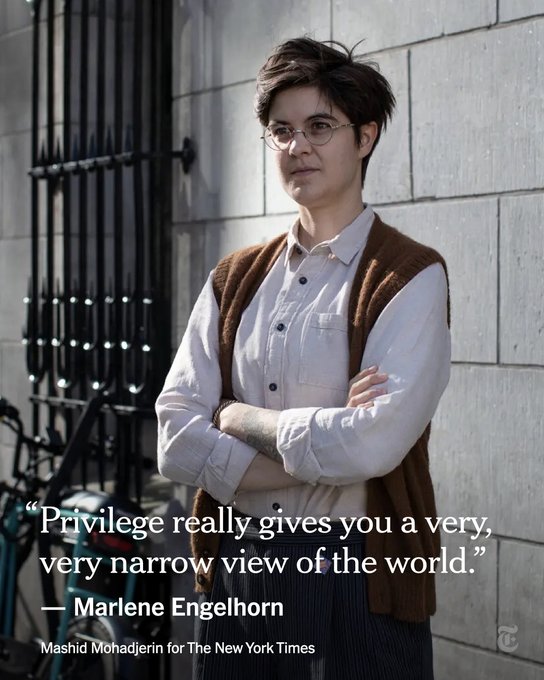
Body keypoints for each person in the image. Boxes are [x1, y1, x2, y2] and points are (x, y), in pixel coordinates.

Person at [156, 37, 451, 680]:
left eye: (320, 126)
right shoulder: (234, 279)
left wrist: (237, 420)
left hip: (359, 574)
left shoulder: (409, 276)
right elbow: (175, 437)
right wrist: (325, 448)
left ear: (365, 136)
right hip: (243, 570)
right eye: (281, 130)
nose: (298, 147)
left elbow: (373, 447)